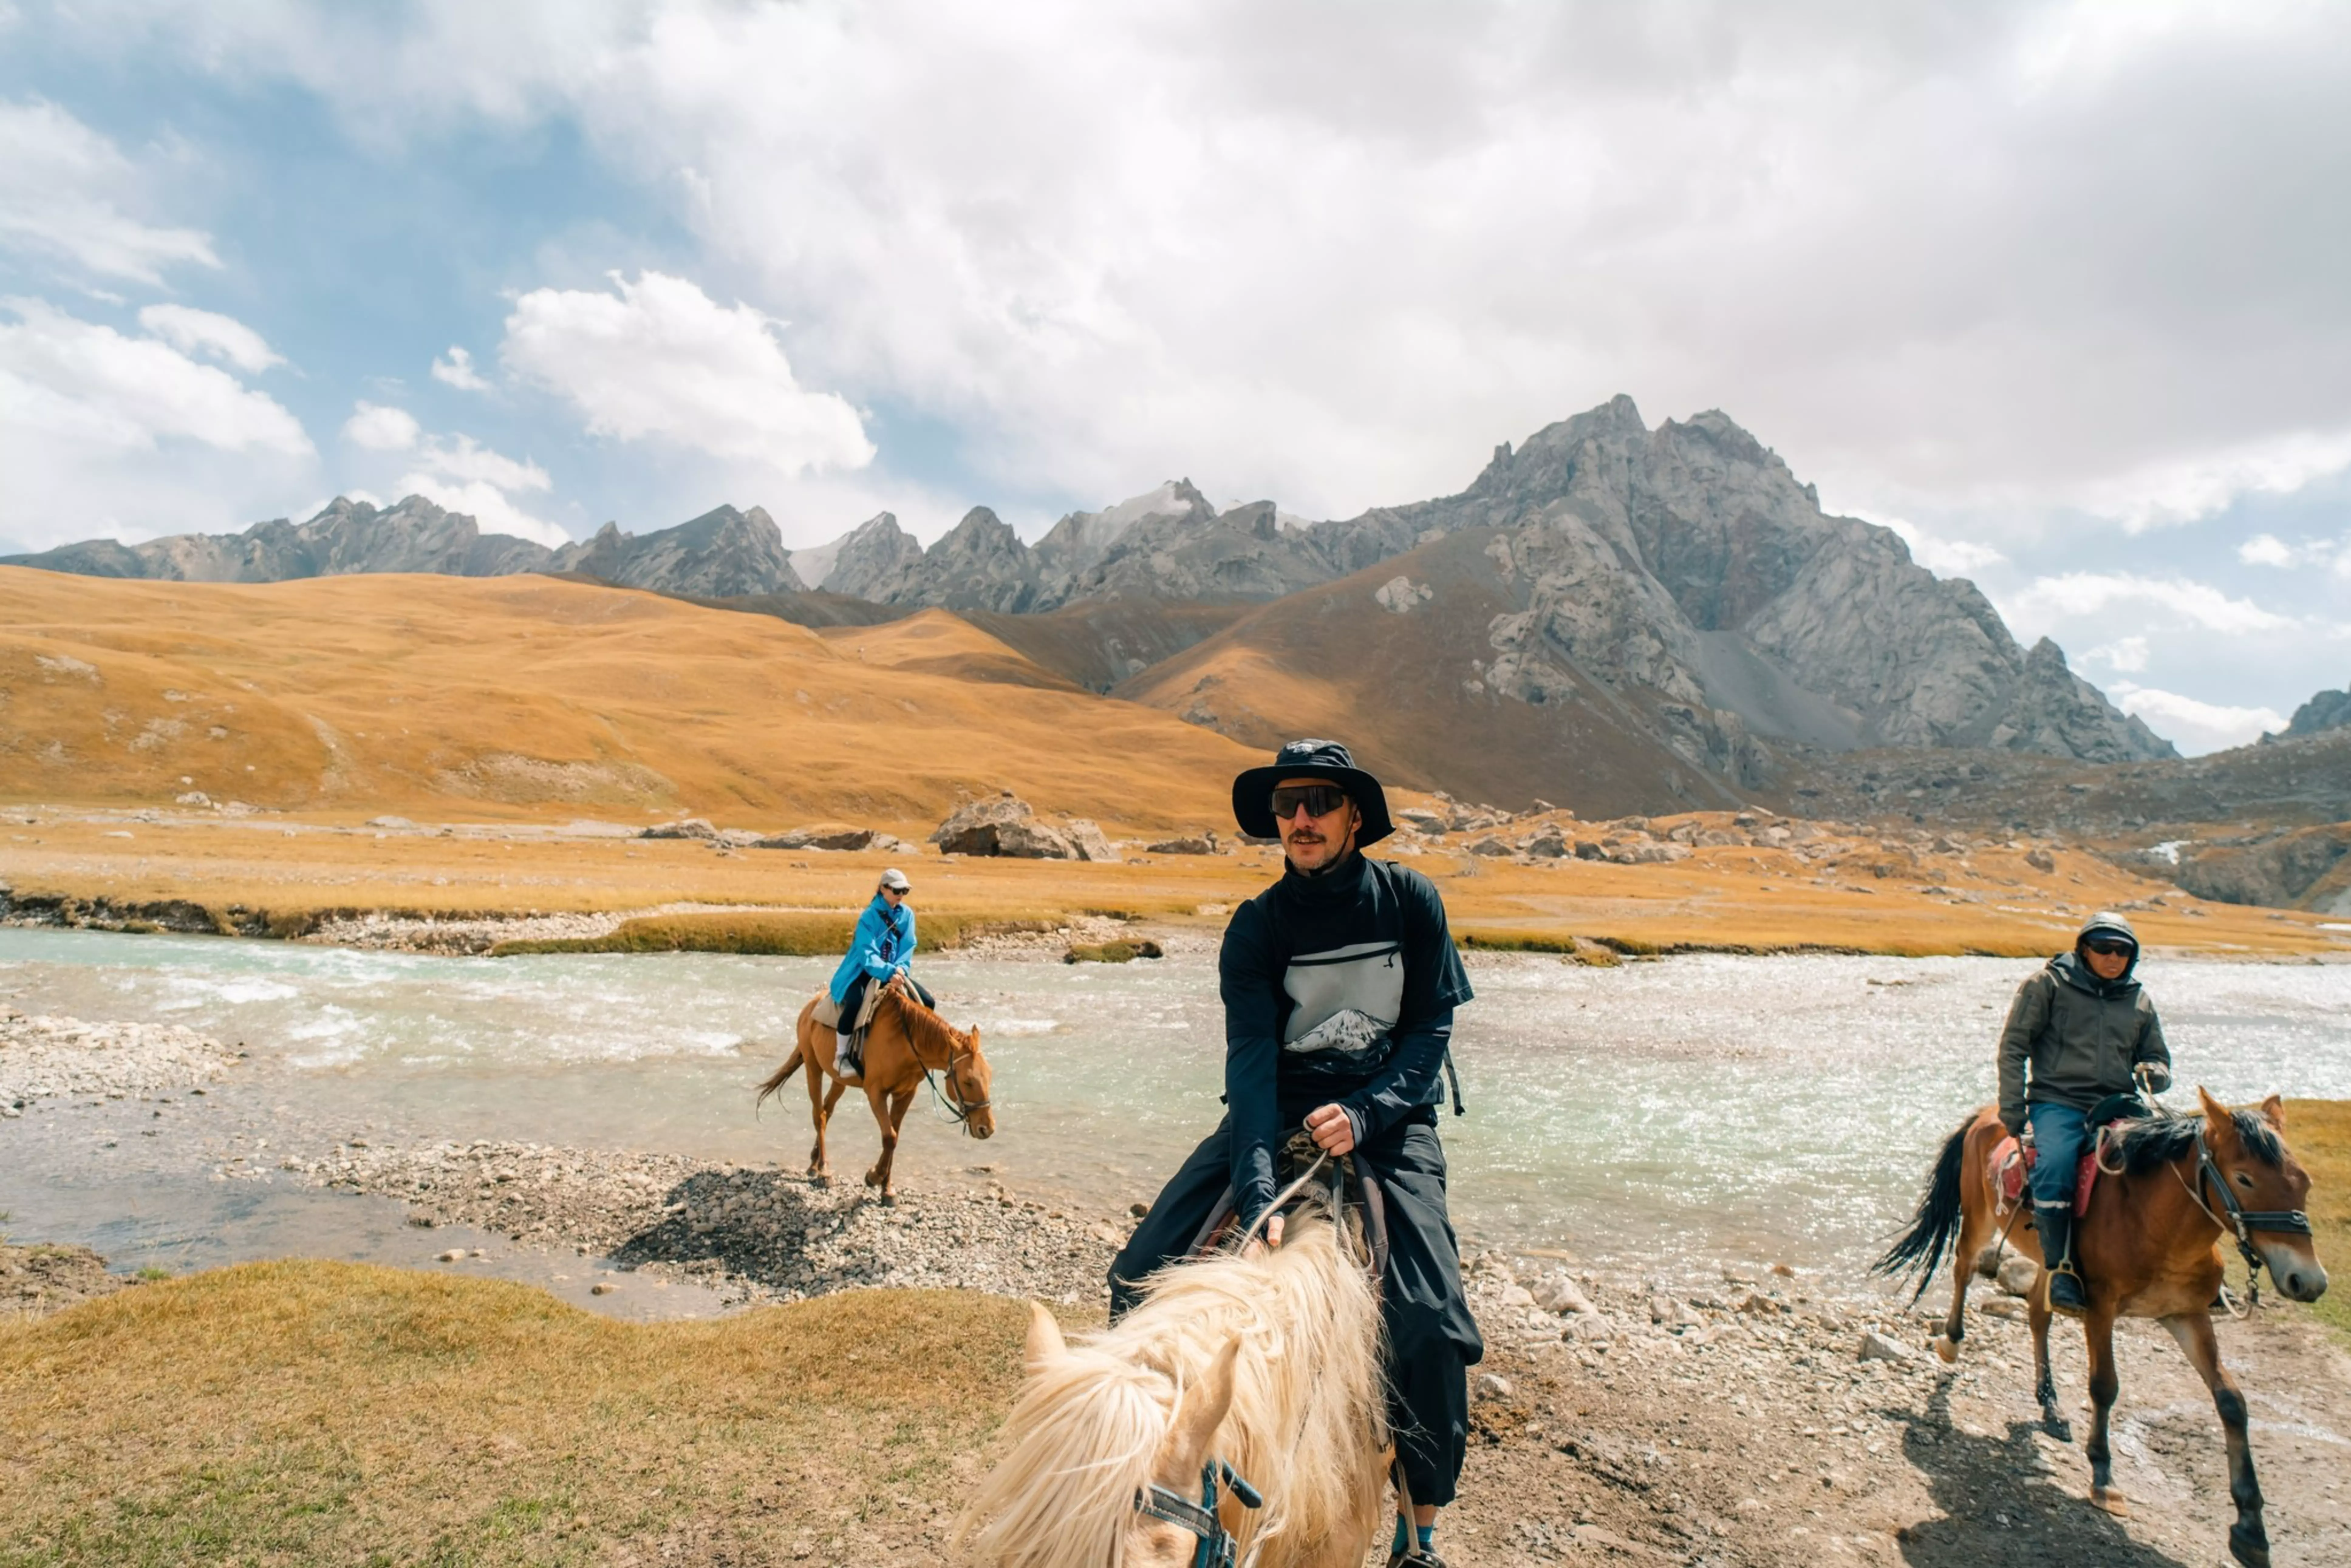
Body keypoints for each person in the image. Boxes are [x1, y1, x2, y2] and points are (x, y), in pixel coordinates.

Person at [1109, 739, 1480, 1568]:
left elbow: (1429, 1030)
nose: (1301, 818)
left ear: (1355, 816)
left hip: (1388, 1120)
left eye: (1318, 800)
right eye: (1287, 805)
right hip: (1272, 1110)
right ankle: (1131, 1470)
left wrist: (1370, 1108)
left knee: (1427, 1323)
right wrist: (1256, 1178)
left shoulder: (1410, 902)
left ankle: (1418, 1531)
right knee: (1134, 1275)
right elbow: (1247, 1059)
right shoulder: (1257, 926)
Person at [1997, 910, 2172, 1314]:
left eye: (2123, 951)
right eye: (2103, 948)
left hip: (2118, 1103)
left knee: (2172, 1158)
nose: (2114, 957)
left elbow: (2158, 1058)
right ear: (2083, 949)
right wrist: (2012, 1109)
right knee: (2056, 1164)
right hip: (2057, 1101)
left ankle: (2181, 1264)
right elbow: (2013, 1048)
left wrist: (2154, 1073)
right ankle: (2059, 1269)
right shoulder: (2046, 986)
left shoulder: (2138, 999)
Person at [828, 867, 934, 1074]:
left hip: (895, 973)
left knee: (928, 1002)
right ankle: (841, 1056)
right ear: (883, 889)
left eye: (905, 891)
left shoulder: (907, 915)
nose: (901, 896)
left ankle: (918, 1049)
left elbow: (909, 945)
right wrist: (889, 973)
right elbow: (867, 953)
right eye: (897, 891)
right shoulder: (868, 917)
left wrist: (902, 969)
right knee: (855, 1003)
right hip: (862, 972)